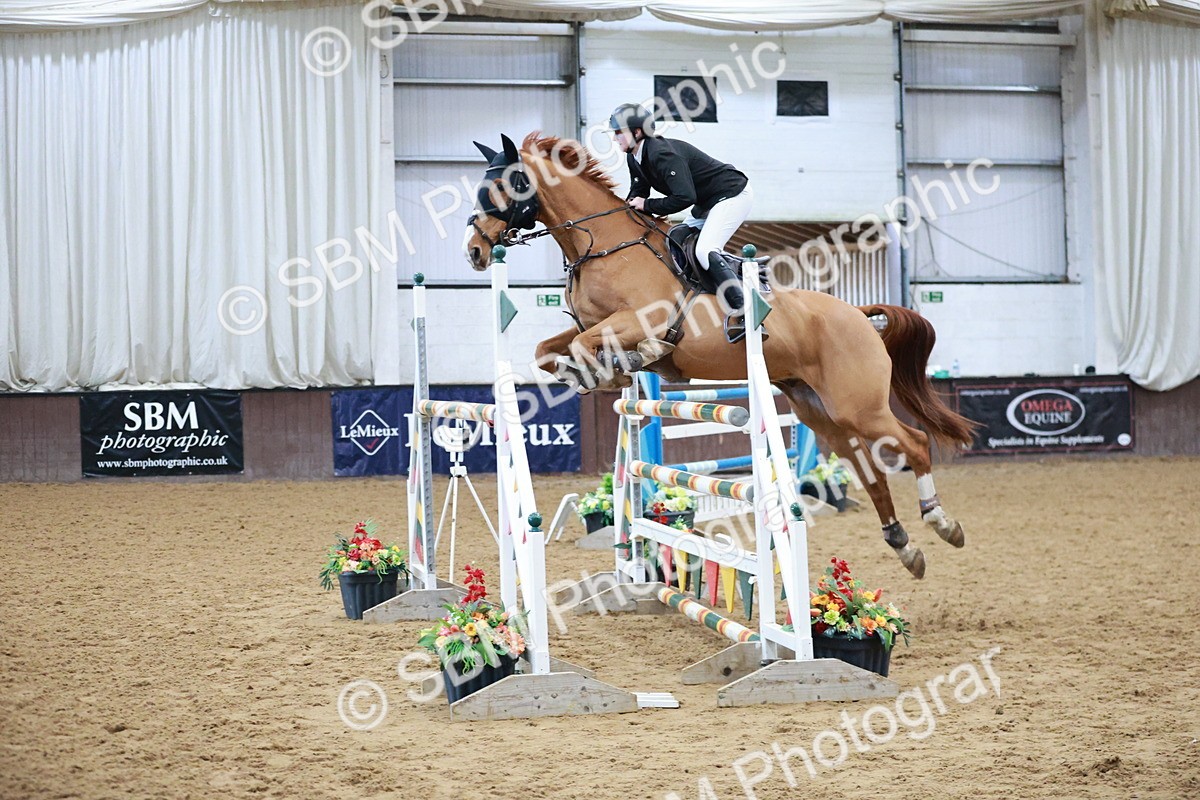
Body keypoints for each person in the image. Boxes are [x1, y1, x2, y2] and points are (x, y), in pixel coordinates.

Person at [609, 102, 755, 342]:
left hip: (732, 194)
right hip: (708, 201)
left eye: (618, 132)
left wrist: (646, 206)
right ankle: (696, 295)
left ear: (636, 132)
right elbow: (637, 196)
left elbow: (684, 198)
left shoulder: (661, 154)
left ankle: (744, 309)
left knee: (705, 250)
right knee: (674, 239)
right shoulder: (634, 157)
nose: (615, 139)